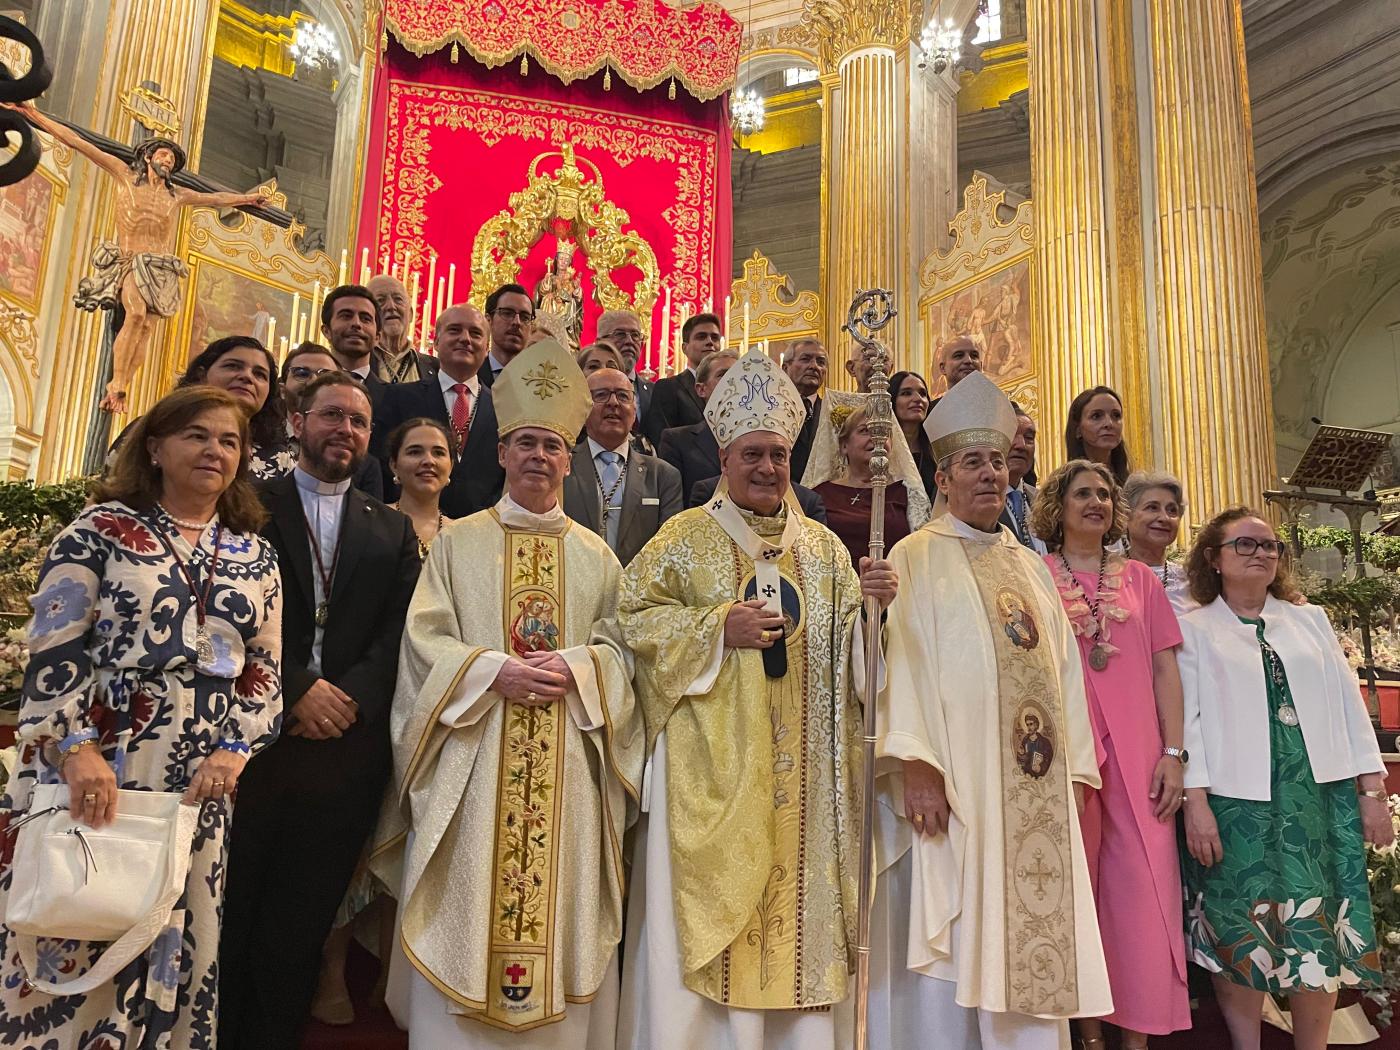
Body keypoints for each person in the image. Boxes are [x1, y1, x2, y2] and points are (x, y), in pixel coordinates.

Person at [616, 347, 898, 1050]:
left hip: (809, 785)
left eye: (778, 454)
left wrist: (873, 614)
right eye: (753, 454)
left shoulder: (827, 551)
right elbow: (630, 622)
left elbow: (857, 666)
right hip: (712, 770)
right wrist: (718, 629)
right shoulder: (683, 537)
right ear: (723, 456)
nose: (768, 467)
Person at [374, 337, 645, 1046]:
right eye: (525, 443)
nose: (538, 457)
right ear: (500, 453)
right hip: (476, 759)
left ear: (569, 459)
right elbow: (423, 644)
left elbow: (623, 653)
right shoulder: (457, 543)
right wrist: (493, 671)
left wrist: (578, 668)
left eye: (553, 446)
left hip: (568, 770)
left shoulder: (598, 557)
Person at [0, 386, 282, 1046]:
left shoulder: (256, 555)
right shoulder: (97, 531)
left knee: (176, 934)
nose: (214, 450)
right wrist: (75, 749)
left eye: (230, 441)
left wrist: (236, 748)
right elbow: (54, 646)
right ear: (155, 447)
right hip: (102, 757)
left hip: (200, 779)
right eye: (197, 435)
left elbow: (266, 667)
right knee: (79, 917)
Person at [870, 371, 1111, 1050]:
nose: (989, 475)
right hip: (955, 787)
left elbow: (1063, 673)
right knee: (953, 939)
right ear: (942, 478)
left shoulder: (1031, 565)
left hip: (1034, 788)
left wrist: (1075, 770)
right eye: (972, 462)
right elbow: (904, 662)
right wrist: (916, 764)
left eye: (997, 462)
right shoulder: (914, 556)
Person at [219, 372, 421, 1050]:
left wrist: (350, 695)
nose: (346, 430)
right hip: (254, 743)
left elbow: (401, 631)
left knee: (302, 920)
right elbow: (224, 614)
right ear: (298, 422)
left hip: (345, 750)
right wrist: (297, 686)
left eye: (359, 422)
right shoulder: (246, 505)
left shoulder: (390, 527)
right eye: (332, 415)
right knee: (231, 905)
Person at [1178, 507, 1391, 1050]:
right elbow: (1186, 722)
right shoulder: (1193, 628)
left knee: (1316, 930)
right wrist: (1195, 802)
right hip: (1236, 803)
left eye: (1270, 545)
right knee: (1240, 926)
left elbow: (1349, 706)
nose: (1261, 553)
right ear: (1214, 558)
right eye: (1246, 544)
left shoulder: (1309, 619)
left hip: (1317, 797)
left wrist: (1372, 791)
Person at [1031, 459, 1190, 1046]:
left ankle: (1138, 1035)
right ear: (1058, 506)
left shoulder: (1142, 579)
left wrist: (1174, 752)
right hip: (1068, 752)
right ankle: (1089, 1034)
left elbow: (1165, 669)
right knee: (1078, 889)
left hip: (1142, 754)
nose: (1096, 502)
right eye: (1082, 494)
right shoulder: (1033, 574)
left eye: (1103, 493)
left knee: (1142, 894)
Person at [310, 415, 456, 1025]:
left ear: (452, 467)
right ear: (392, 465)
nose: (428, 461)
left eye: (439, 452)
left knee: (417, 835)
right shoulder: (371, 525)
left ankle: (398, 970)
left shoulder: (467, 536)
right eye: (414, 451)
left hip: (439, 707)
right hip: (372, 698)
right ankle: (333, 970)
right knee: (358, 837)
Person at [8, 101, 268, 412]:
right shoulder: (125, 176)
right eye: (164, 155)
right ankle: (116, 381)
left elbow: (215, 198)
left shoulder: (177, 195)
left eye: (172, 159)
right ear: (148, 157)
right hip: (133, 260)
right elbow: (79, 143)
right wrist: (34, 115)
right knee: (134, 314)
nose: (168, 161)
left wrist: (247, 199)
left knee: (146, 327)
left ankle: (124, 386)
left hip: (161, 268)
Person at [371, 303, 505, 518]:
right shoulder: (398, 398)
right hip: (407, 524)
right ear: (436, 341)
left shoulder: (503, 408)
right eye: (454, 330)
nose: (465, 338)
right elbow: (381, 465)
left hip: (481, 528)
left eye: (475, 333)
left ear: (486, 347)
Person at [564, 367, 683, 565]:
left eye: (622, 396)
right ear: (582, 409)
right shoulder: (562, 467)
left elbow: (669, 549)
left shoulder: (663, 476)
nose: (613, 402)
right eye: (601, 395)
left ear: (634, 411)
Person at [803, 392, 931, 566]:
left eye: (884, 432)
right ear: (844, 445)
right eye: (865, 430)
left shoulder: (907, 493)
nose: (877, 437)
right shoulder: (820, 495)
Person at [255, 342, 383, 496]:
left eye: (326, 376)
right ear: (282, 390)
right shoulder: (255, 442)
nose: (313, 381)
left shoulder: (364, 464)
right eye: (302, 373)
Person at [656, 348, 735, 506]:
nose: (733, 380)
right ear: (701, 389)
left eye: (739, 374)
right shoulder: (677, 441)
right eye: (723, 375)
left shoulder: (763, 440)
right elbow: (672, 504)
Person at [644, 312, 723, 445]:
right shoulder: (668, 388)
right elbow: (661, 439)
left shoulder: (730, 388)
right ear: (684, 348)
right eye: (701, 337)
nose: (710, 342)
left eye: (715, 338)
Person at [1123, 470, 1190, 613]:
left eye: (1172, 510)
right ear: (1126, 516)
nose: (1164, 518)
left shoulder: (1189, 581)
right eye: (1152, 508)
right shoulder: (1105, 575)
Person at [320, 283, 387, 407]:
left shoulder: (395, 398)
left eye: (365, 319)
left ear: (377, 337)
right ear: (327, 331)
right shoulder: (307, 388)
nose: (356, 323)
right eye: (346, 316)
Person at [368, 273, 438, 384]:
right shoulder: (356, 364)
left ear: (410, 314)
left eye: (398, 299)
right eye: (380, 300)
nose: (391, 306)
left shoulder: (436, 368)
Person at [998, 404, 1045, 553]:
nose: (1021, 445)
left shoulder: (1043, 501)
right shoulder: (980, 501)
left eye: (1029, 438)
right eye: (1011, 434)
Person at [597, 309, 652, 430]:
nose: (629, 341)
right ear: (600, 342)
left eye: (635, 335)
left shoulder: (654, 392)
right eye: (620, 334)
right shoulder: (585, 387)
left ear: (642, 345)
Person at [782, 337, 828, 480]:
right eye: (805, 359)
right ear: (785, 368)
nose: (814, 366)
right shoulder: (771, 408)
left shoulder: (831, 411)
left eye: (821, 362)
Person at [1065, 386, 1131, 484]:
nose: (1109, 423)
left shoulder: (1133, 485)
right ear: (1078, 429)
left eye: (1116, 415)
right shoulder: (1064, 485)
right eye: (1096, 416)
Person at [889, 369, 935, 498]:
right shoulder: (881, 449)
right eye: (906, 393)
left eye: (923, 394)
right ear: (892, 400)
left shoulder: (937, 450)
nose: (918, 399)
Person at [479, 282, 535, 385]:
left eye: (525, 317)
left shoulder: (539, 382)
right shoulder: (469, 374)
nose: (517, 322)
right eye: (507, 313)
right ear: (488, 321)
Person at [932, 335, 983, 400]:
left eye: (974, 355)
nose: (968, 360)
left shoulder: (995, 402)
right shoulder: (932, 406)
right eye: (959, 355)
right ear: (943, 368)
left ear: (981, 365)